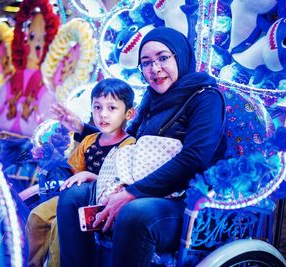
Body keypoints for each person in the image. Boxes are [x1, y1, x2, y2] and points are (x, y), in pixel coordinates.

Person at [56, 27, 226, 267]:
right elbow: (127, 142)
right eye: (146, 63)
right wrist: (83, 128)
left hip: (185, 200)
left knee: (134, 213)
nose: (155, 69)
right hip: (138, 186)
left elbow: (194, 158)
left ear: (180, 55)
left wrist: (134, 192)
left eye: (163, 58)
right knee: (73, 197)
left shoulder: (205, 97)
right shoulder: (152, 98)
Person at [25, 77, 136, 267]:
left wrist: (92, 177)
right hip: (74, 197)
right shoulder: (88, 140)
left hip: (100, 202)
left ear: (129, 113)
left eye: (112, 108)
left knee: (60, 226)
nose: (103, 115)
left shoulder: (129, 145)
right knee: (36, 217)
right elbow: (75, 171)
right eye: (97, 107)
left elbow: (122, 182)